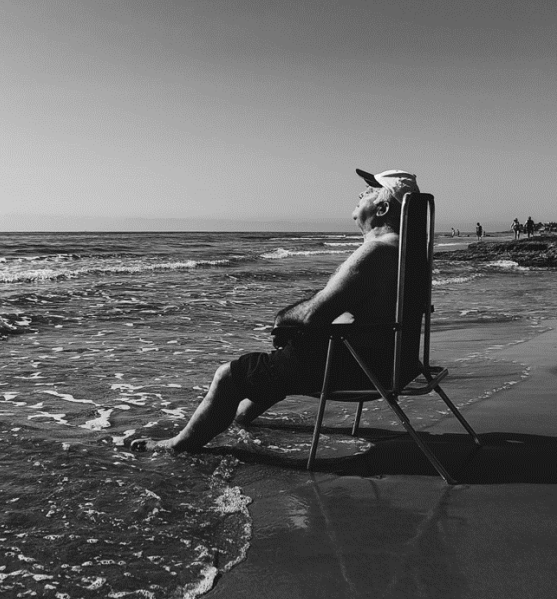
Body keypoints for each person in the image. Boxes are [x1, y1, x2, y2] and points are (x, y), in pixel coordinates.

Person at [130, 167, 419, 453]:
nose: (361, 192)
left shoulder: (377, 252)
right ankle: (238, 419)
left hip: (361, 370)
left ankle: (175, 445)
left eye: (370, 189)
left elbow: (312, 316)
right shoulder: (406, 250)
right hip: (393, 363)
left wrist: (282, 320)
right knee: (287, 355)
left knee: (228, 375)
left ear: (381, 208)